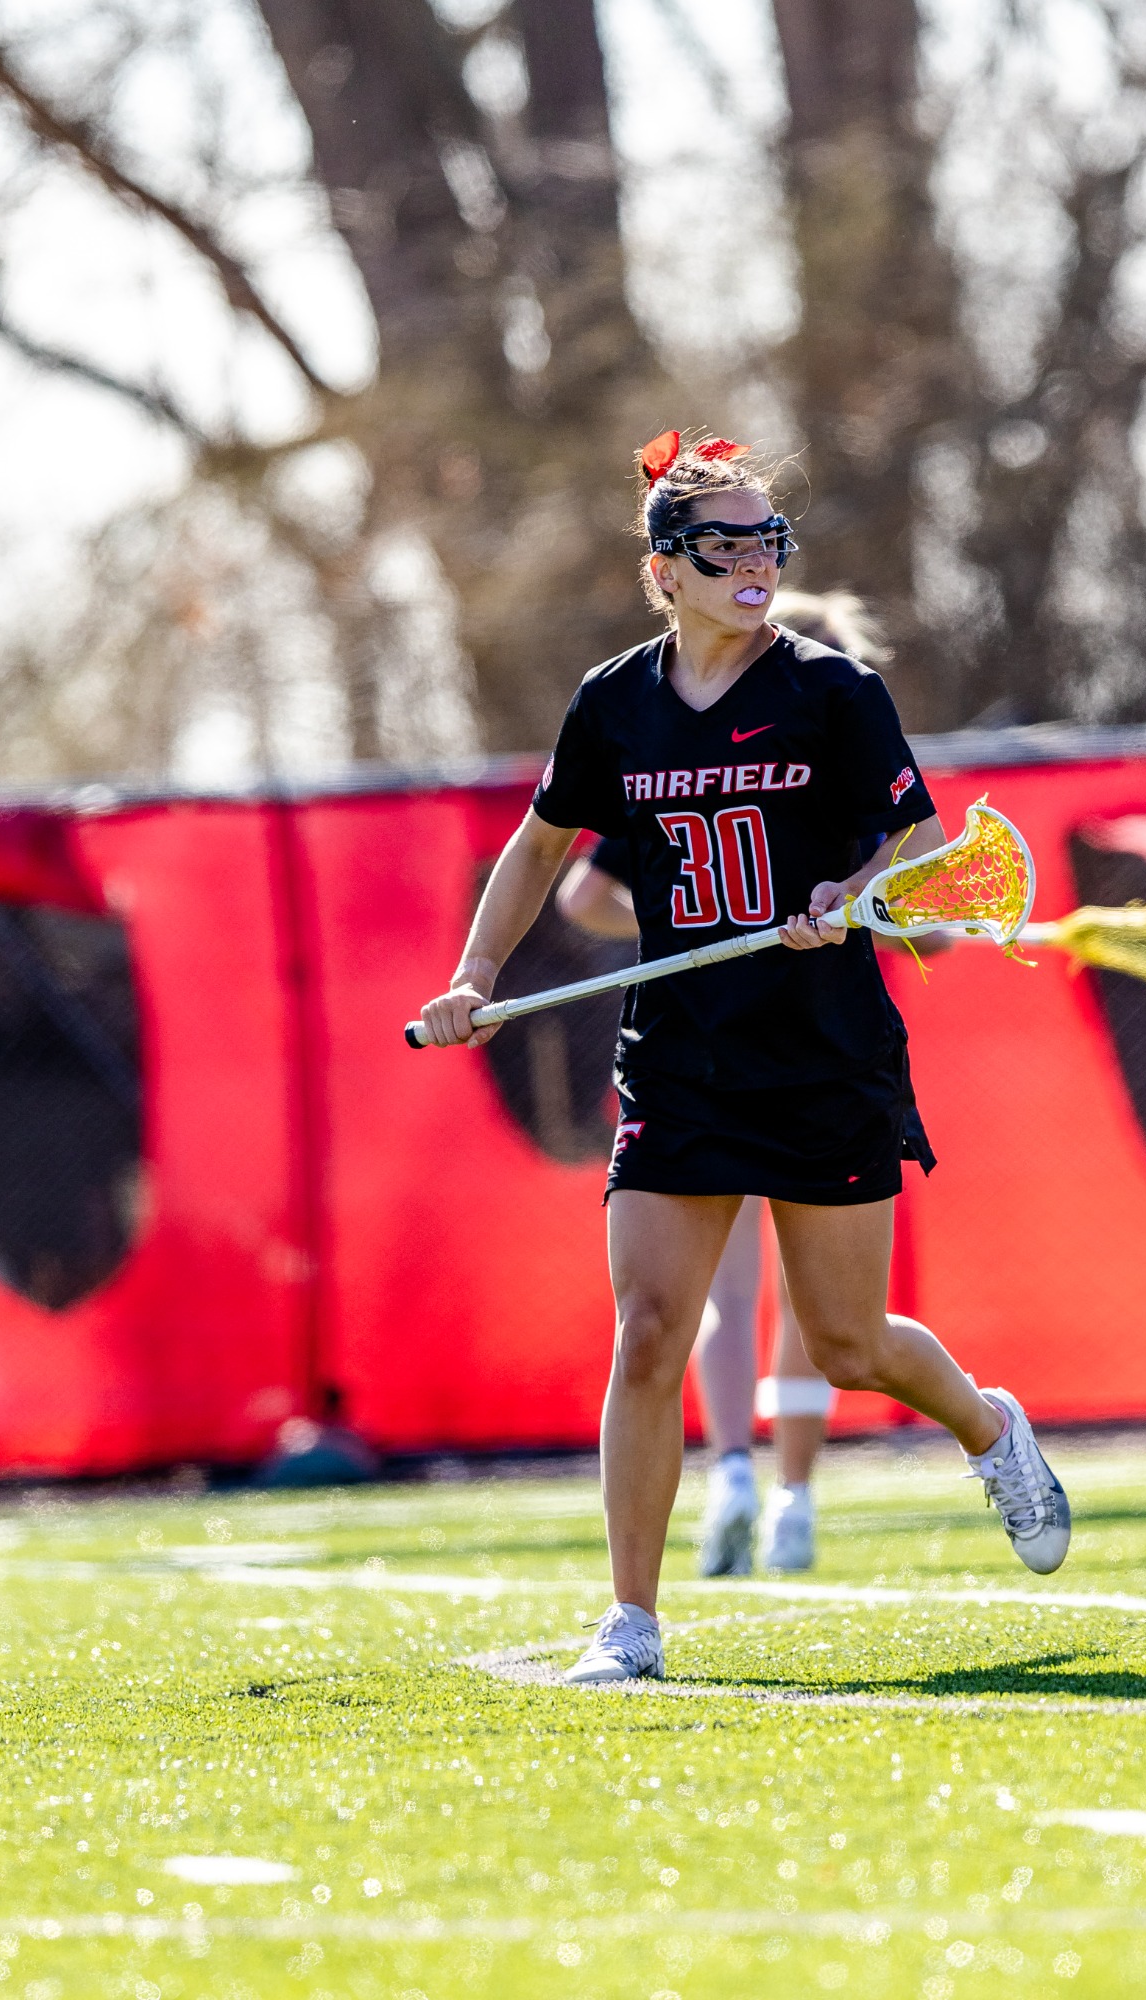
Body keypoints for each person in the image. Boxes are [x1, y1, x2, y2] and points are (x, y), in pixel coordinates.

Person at [418, 430, 1070, 1685]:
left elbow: (925, 853)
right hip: (682, 1063)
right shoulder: (614, 702)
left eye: (770, 538)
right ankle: (632, 1622)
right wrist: (475, 979)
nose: (755, 561)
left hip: (824, 1056)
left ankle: (992, 1429)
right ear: (665, 569)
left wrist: (849, 888)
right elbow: (539, 850)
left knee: (846, 1344)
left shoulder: (834, 691)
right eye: (725, 543)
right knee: (650, 1328)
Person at [556, 591, 899, 1578]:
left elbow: (587, 891)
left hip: (789, 1056)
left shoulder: (799, 742)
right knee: (782, 1300)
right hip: (746, 1058)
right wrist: (700, 938)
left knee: (752, 1299)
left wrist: (683, 937)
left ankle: (738, 1476)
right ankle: (786, 1496)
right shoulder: (726, 754)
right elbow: (582, 880)